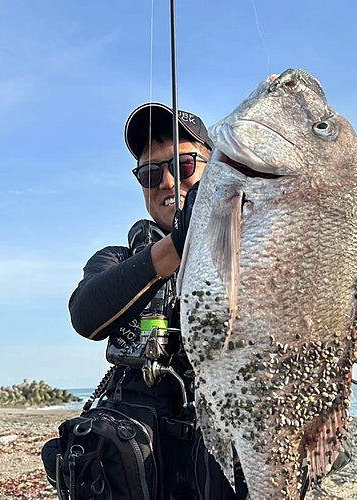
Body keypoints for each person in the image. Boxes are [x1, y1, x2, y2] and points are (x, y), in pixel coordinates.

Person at [66, 102, 248, 500]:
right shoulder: (117, 259)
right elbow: (85, 316)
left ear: (215, 166)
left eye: (183, 165)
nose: (167, 182)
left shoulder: (251, 247)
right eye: (150, 173)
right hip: (139, 466)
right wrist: (177, 246)